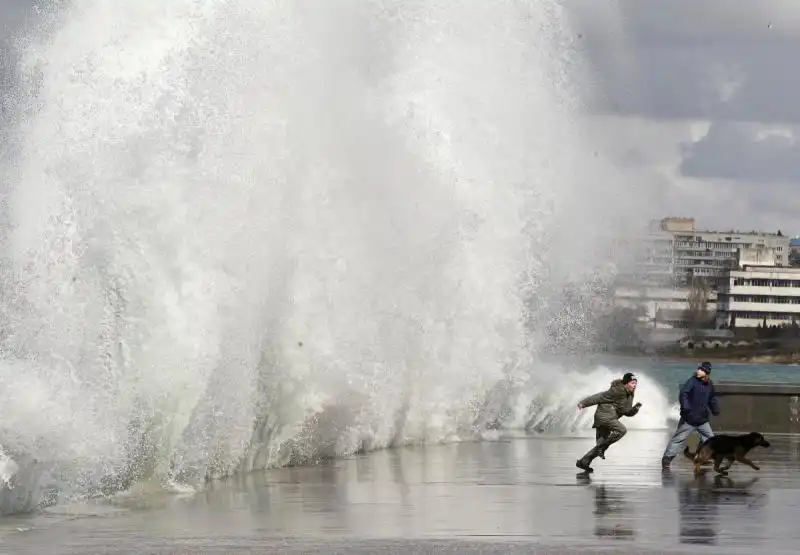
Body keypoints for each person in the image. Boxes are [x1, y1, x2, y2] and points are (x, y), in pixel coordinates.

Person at [575, 372, 642, 472]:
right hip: (604, 416)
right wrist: (583, 403)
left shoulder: (630, 394)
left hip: (609, 417)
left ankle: (584, 462)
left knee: (600, 446)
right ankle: (601, 448)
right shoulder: (616, 391)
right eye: (632, 383)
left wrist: (635, 409)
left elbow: (626, 412)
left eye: (635, 383)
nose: (635, 385)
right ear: (626, 383)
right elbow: (599, 397)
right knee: (622, 430)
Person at [661, 361, 720, 470]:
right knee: (679, 439)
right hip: (689, 418)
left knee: (710, 440)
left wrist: (715, 409)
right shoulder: (692, 381)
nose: (699, 371)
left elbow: (711, 398)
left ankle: (701, 457)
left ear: (706, 372)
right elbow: (684, 393)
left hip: (702, 419)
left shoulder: (709, 384)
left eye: (701, 370)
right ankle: (667, 459)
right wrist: (686, 407)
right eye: (699, 369)